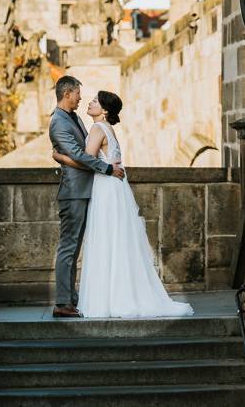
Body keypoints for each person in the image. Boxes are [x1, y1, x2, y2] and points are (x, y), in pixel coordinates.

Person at [52, 90, 194, 318]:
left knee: (106, 239)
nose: (90, 102)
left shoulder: (98, 128)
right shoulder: (110, 129)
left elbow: (85, 161)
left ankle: (108, 298)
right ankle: (119, 293)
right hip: (113, 187)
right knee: (116, 239)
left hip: (106, 187)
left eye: (96, 101)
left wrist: (60, 158)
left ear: (105, 110)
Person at [49, 75, 124, 319]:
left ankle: (70, 299)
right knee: (69, 247)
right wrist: (107, 169)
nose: (81, 98)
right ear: (67, 93)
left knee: (74, 247)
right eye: (78, 93)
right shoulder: (58, 122)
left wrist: (60, 158)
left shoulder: (75, 118)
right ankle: (62, 301)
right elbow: (80, 156)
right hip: (74, 193)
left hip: (86, 191)